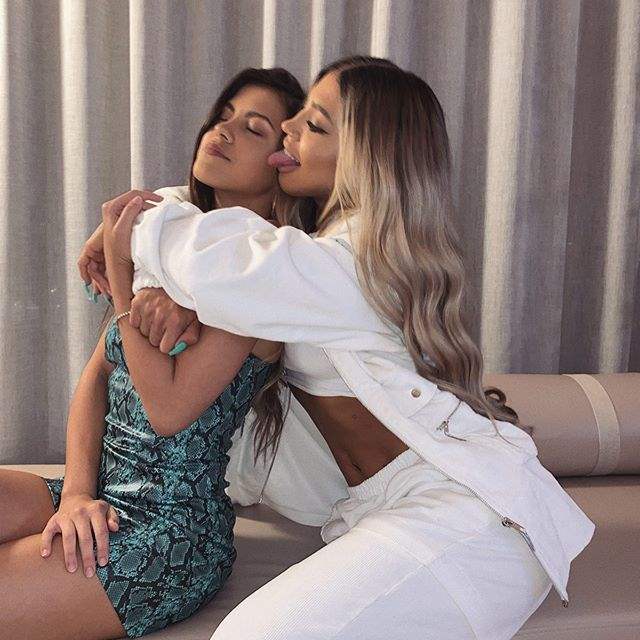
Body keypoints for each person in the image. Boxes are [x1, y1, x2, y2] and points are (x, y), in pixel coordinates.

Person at [83, 56, 596, 640]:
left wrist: (131, 223)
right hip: (387, 508)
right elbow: (228, 245)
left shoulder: (355, 262)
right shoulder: (320, 253)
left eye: (315, 125)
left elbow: (218, 262)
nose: (288, 129)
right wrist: (150, 234)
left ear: (365, 159)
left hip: (468, 520)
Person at [0, 67, 310, 639]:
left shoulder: (259, 273)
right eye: (222, 117)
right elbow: (97, 379)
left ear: (282, 166)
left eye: (254, 128)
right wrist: (75, 496)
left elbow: (168, 412)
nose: (223, 132)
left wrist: (122, 276)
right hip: (97, 492)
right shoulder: (175, 243)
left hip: (168, 535)